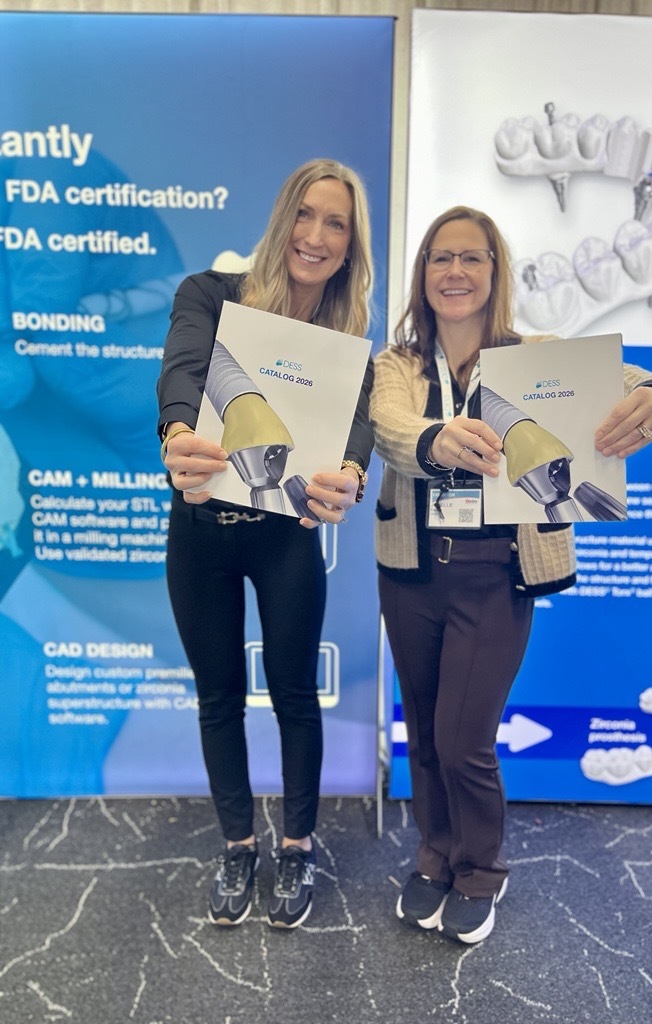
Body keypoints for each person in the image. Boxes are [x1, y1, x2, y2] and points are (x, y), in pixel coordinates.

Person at [370, 206, 652, 945]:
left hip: (495, 574)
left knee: (464, 740)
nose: (454, 271)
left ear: (495, 272)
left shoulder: (534, 355)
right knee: (425, 733)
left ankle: (480, 870)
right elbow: (387, 426)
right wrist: (437, 437)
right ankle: (435, 856)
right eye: (440, 258)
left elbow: (632, 380)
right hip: (411, 571)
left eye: (471, 258)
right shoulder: (397, 364)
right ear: (422, 274)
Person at [156, 159, 374, 930]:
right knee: (218, 696)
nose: (316, 235)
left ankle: (298, 845)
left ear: (350, 247)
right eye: (305, 215)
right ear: (283, 219)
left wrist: (351, 475)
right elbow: (184, 369)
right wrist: (178, 432)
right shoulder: (208, 296)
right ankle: (238, 845)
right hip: (200, 536)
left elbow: (357, 428)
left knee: (294, 696)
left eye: (336, 223)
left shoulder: (343, 345)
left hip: (285, 540)